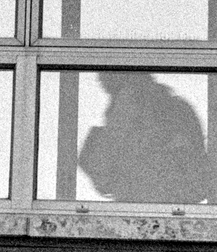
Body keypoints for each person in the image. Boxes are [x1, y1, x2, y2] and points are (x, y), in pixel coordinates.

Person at [79, 71, 210, 204]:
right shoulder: (177, 107)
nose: (100, 79)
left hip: (152, 200)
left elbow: (105, 168)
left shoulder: (130, 102)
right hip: (163, 202)